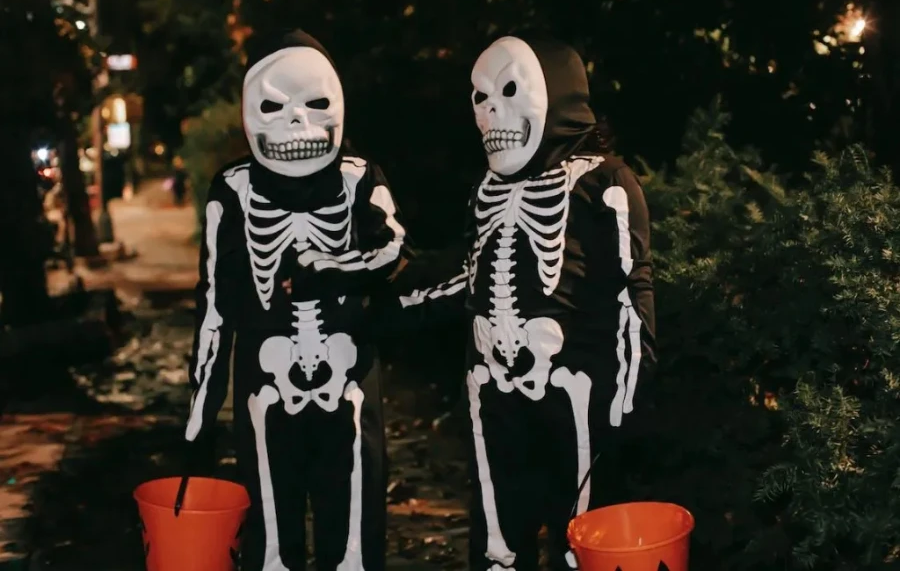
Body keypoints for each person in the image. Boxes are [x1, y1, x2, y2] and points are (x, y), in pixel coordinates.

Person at [379, 34, 656, 570]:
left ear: (557, 94)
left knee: (583, 542)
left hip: (577, 396)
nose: (488, 113)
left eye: (507, 91)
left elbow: (631, 293)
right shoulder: (484, 188)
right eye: (479, 98)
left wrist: (628, 400)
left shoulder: (606, 184)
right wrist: (377, 306)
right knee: (498, 543)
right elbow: (471, 277)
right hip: (493, 396)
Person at [183, 28, 407, 571]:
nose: (295, 122)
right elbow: (215, 305)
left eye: (314, 104)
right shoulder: (233, 191)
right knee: (270, 551)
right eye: (275, 106)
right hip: (265, 397)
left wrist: (331, 271)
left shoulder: (358, 180)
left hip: (349, 392)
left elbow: (396, 252)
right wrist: (198, 421)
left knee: (354, 548)